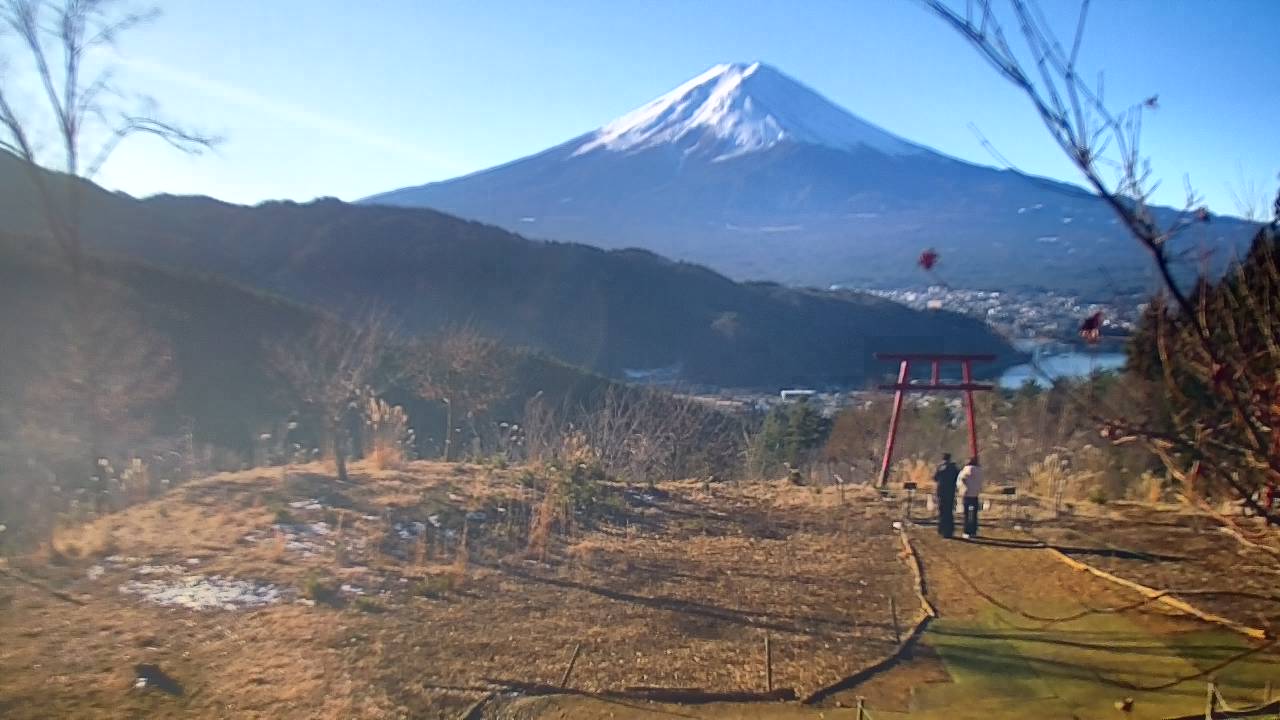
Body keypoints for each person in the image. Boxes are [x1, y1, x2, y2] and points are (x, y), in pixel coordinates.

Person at [933, 453, 960, 538]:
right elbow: (958, 478)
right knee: (949, 511)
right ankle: (949, 531)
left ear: (943, 459)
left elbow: (935, 478)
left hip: (941, 492)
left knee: (942, 511)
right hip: (951, 492)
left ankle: (941, 529)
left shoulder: (940, 467)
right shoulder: (954, 467)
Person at [958, 457, 984, 539]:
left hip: (967, 494)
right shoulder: (980, 470)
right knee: (974, 515)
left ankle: (967, 531)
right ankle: (974, 531)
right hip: (975, 495)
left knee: (967, 515)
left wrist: (963, 488)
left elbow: (962, 478)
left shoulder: (967, 468)